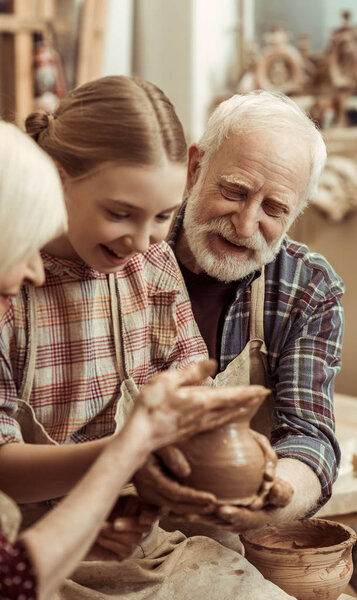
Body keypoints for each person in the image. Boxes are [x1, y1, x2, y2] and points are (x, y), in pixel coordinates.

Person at [0, 83, 296, 599]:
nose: (140, 242)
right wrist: (128, 453)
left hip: (135, 546)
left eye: (162, 217)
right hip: (26, 550)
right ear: (57, 180)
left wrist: (246, 459)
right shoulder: (9, 280)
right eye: (119, 213)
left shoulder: (151, 262)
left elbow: (192, 410)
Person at [169, 90, 344, 525]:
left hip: (239, 529)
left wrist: (272, 498)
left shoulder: (308, 288)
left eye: (274, 208)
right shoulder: (128, 252)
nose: (246, 224)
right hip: (120, 516)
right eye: (234, 191)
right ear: (195, 169)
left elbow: (310, 436)